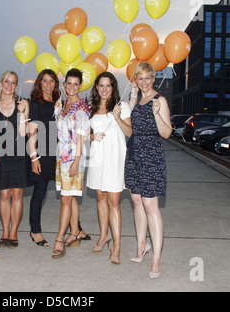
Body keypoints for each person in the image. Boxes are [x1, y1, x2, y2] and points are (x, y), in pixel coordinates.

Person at [124, 62, 171, 279]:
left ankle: (157, 258)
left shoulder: (159, 100)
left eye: (147, 78)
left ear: (153, 78)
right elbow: (133, 128)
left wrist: (157, 115)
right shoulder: (138, 98)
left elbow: (167, 133)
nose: (144, 82)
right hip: (134, 155)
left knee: (151, 207)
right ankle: (142, 247)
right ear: (136, 80)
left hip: (151, 157)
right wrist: (133, 99)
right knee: (136, 201)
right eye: (139, 78)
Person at [86, 72, 132, 264]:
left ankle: (117, 244)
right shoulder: (91, 108)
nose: (104, 89)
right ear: (96, 87)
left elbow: (129, 132)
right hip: (97, 158)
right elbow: (83, 135)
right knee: (100, 198)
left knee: (114, 201)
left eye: (108, 85)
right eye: (101, 86)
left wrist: (119, 117)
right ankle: (103, 236)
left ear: (113, 87)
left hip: (115, 158)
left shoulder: (123, 106)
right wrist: (90, 137)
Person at [53, 68, 90, 259]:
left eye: (76, 84)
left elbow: (81, 139)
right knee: (71, 197)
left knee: (66, 199)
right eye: (69, 83)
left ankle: (60, 239)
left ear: (80, 86)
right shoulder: (65, 104)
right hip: (62, 158)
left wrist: (76, 162)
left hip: (73, 160)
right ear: (64, 85)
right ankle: (74, 232)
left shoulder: (81, 109)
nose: (72, 87)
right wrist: (58, 112)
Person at [0, 71, 29, 248]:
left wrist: (22, 115)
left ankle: (14, 232)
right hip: (2, 155)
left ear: (16, 86)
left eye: (13, 83)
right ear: (1, 82)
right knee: (4, 194)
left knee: (17, 194)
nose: (9, 85)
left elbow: (23, 133)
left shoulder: (22, 104)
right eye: (6, 81)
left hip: (20, 153)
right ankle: (5, 231)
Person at [27, 69, 60, 247]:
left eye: (52, 81)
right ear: (39, 83)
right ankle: (35, 230)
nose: (48, 84)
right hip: (42, 154)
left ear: (56, 83)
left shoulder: (58, 103)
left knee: (67, 194)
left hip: (59, 153)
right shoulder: (36, 104)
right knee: (39, 193)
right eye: (45, 81)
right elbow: (31, 133)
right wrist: (34, 158)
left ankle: (76, 228)